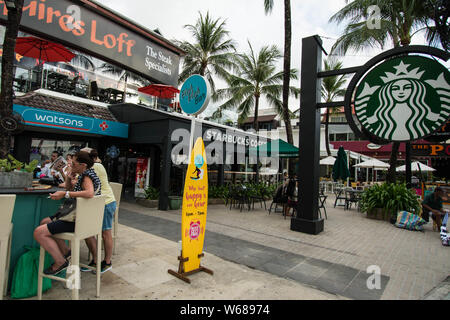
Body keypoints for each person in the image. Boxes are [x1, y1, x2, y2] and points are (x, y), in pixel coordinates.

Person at [33, 151, 101, 275]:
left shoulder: (86, 176)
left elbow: (89, 193)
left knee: (39, 232)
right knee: (45, 222)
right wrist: (69, 178)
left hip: (77, 220)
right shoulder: (87, 174)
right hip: (80, 218)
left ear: (83, 165)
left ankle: (60, 262)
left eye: (73, 164)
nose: (71, 165)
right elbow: (70, 189)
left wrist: (65, 194)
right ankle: (65, 252)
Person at [81, 147, 116, 274]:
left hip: (106, 202)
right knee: (87, 231)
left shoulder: (96, 166)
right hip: (94, 203)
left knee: (105, 233)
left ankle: (107, 262)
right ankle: (95, 260)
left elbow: (81, 178)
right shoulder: (92, 165)